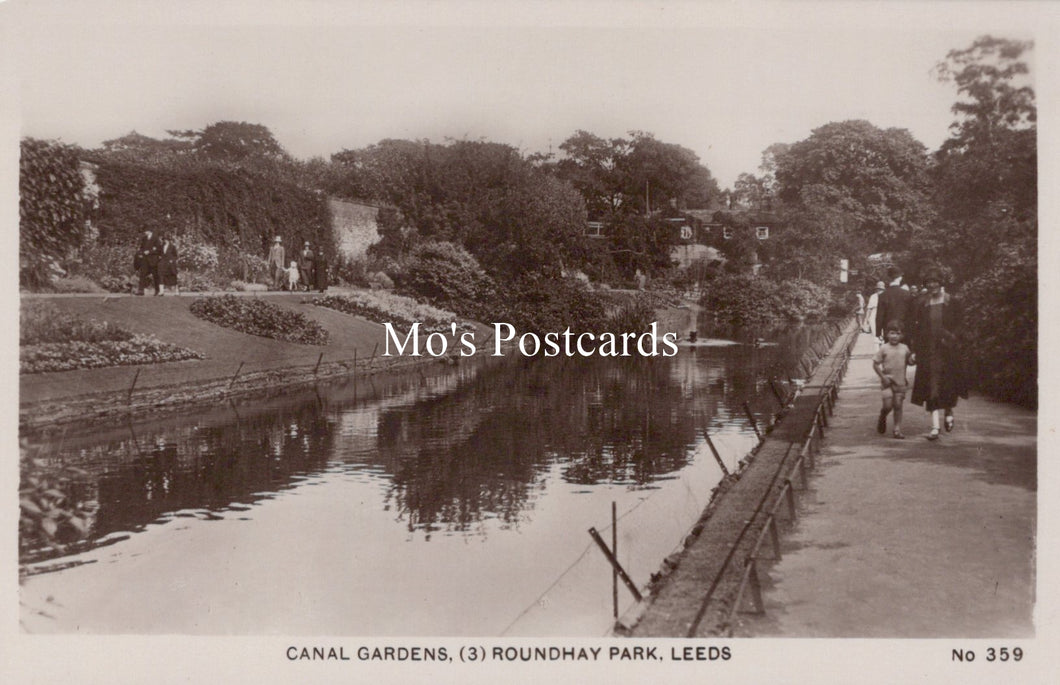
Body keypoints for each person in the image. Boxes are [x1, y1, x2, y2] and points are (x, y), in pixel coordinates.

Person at [908, 268, 969, 440]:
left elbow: (961, 324)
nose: (932, 285)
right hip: (929, 352)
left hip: (948, 351)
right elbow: (918, 330)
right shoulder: (922, 305)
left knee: (948, 385)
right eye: (928, 282)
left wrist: (951, 337)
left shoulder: (952, 301)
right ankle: (935, 427)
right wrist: (914, 351)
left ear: (941, 283)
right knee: (931, 387)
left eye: (935, 281)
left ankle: (949, 412)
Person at [872, 321, 913, 439]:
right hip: (887, 383)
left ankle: (897, 429)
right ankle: (883, 415)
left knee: (898, 406)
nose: (895, 336)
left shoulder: (905, 348)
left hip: (900, 383)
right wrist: (883, 377)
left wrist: (913, 359)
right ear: (887, 334)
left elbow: (909, 362)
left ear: (902, 335)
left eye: (898, 333)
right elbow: (875, 364)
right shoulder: (884, 348)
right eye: (892, 333)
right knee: (888, 406)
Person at [875, 266, 912, 342]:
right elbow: (911, 315)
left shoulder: (883, 295)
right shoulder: (907, 294)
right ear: (900, 278)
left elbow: (880, 316)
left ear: (889, 278)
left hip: (889, 332)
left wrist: (878, 333)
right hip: (903, 331)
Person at [134, 228, 162, 295]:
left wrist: (149, 251)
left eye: (146, 231)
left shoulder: (156, 238)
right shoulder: (144, 238)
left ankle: (157, 290)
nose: (145, 232)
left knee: (155, 275)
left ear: (149, 231)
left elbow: (159, 249)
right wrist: (141, 253)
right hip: (145, 260)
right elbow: (141, 248)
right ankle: (141, 291)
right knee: (142, 274)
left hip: (153, 260)